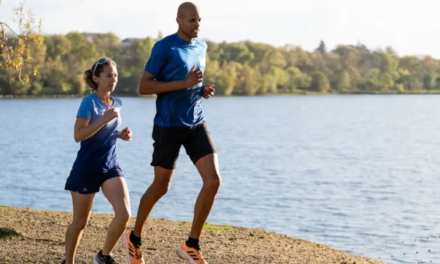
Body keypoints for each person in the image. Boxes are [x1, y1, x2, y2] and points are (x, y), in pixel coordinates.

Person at [122, 2, 220, 264]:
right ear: (178, 20)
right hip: (168, 126)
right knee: (161, 186)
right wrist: (184, 84)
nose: (196, 25)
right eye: (191, 20)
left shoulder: (202, 46)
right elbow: (144, 86)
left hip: (196, 123)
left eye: (199, 20)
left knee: (213, 181)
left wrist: (200, 90)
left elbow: (192, 83)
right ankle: (135, 237)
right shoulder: (164, 47)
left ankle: (191, 245)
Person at [61, 58, 133, 264]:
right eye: (109, 75)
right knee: (80, 222)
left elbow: (105, 131)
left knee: (124, 214)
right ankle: (68, 261)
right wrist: (103, 119)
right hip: (87, 168)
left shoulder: (116, 103)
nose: (113, 79)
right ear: (96, 78)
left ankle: (103, 256)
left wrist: (119, 134)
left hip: (109, 166)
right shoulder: (88, 103)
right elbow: (78, 135)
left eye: (116, 75)